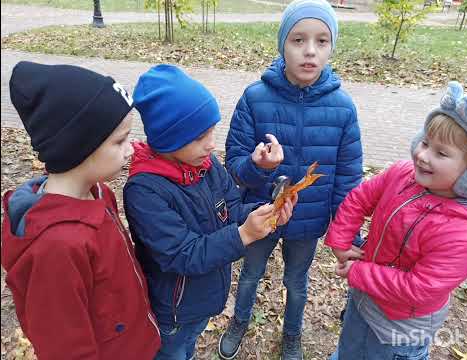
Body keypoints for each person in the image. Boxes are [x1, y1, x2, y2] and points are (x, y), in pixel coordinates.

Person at [218, 0, 363, 358]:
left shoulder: (343, 108)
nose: (310, 51)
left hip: (307, 220)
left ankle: (292, 335)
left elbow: (348, 180)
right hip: (261, 213)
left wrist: (349, 234)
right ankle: (239, 320)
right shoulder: (255, 98)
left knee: (297, 281)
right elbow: (234, 164)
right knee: (250, 274)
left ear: (332, 47)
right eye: (298, 40)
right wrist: (258, 166)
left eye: (321, 41)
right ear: (282, 44)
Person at [123, 64, 297, 360]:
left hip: (202, 300)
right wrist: (243, 235)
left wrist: (264, 213)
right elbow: (182, 254)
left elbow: (231, 209)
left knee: (188, 347)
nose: (212, 143)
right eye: (200, 136)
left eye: (212, 131)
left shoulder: (205, 165)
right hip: (174, 314)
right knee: (174, 351)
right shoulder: (145, 191)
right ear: (169, 139)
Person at [1, 61, 161, 359]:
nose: (133, 148)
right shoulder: (56, 248)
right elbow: (64, 347)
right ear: (80, 147)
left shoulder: (98, 192)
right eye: (120, 141)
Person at [325, 81, 467, 360]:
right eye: (424, 142)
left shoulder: (462, 234)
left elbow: (418, 287)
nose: (422, 155)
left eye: (441, 153)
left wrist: (359, 273)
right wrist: (340, 239)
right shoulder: (402, 173)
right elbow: (361, 198)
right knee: (350, 346)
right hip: (364, 299)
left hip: (400, 328)